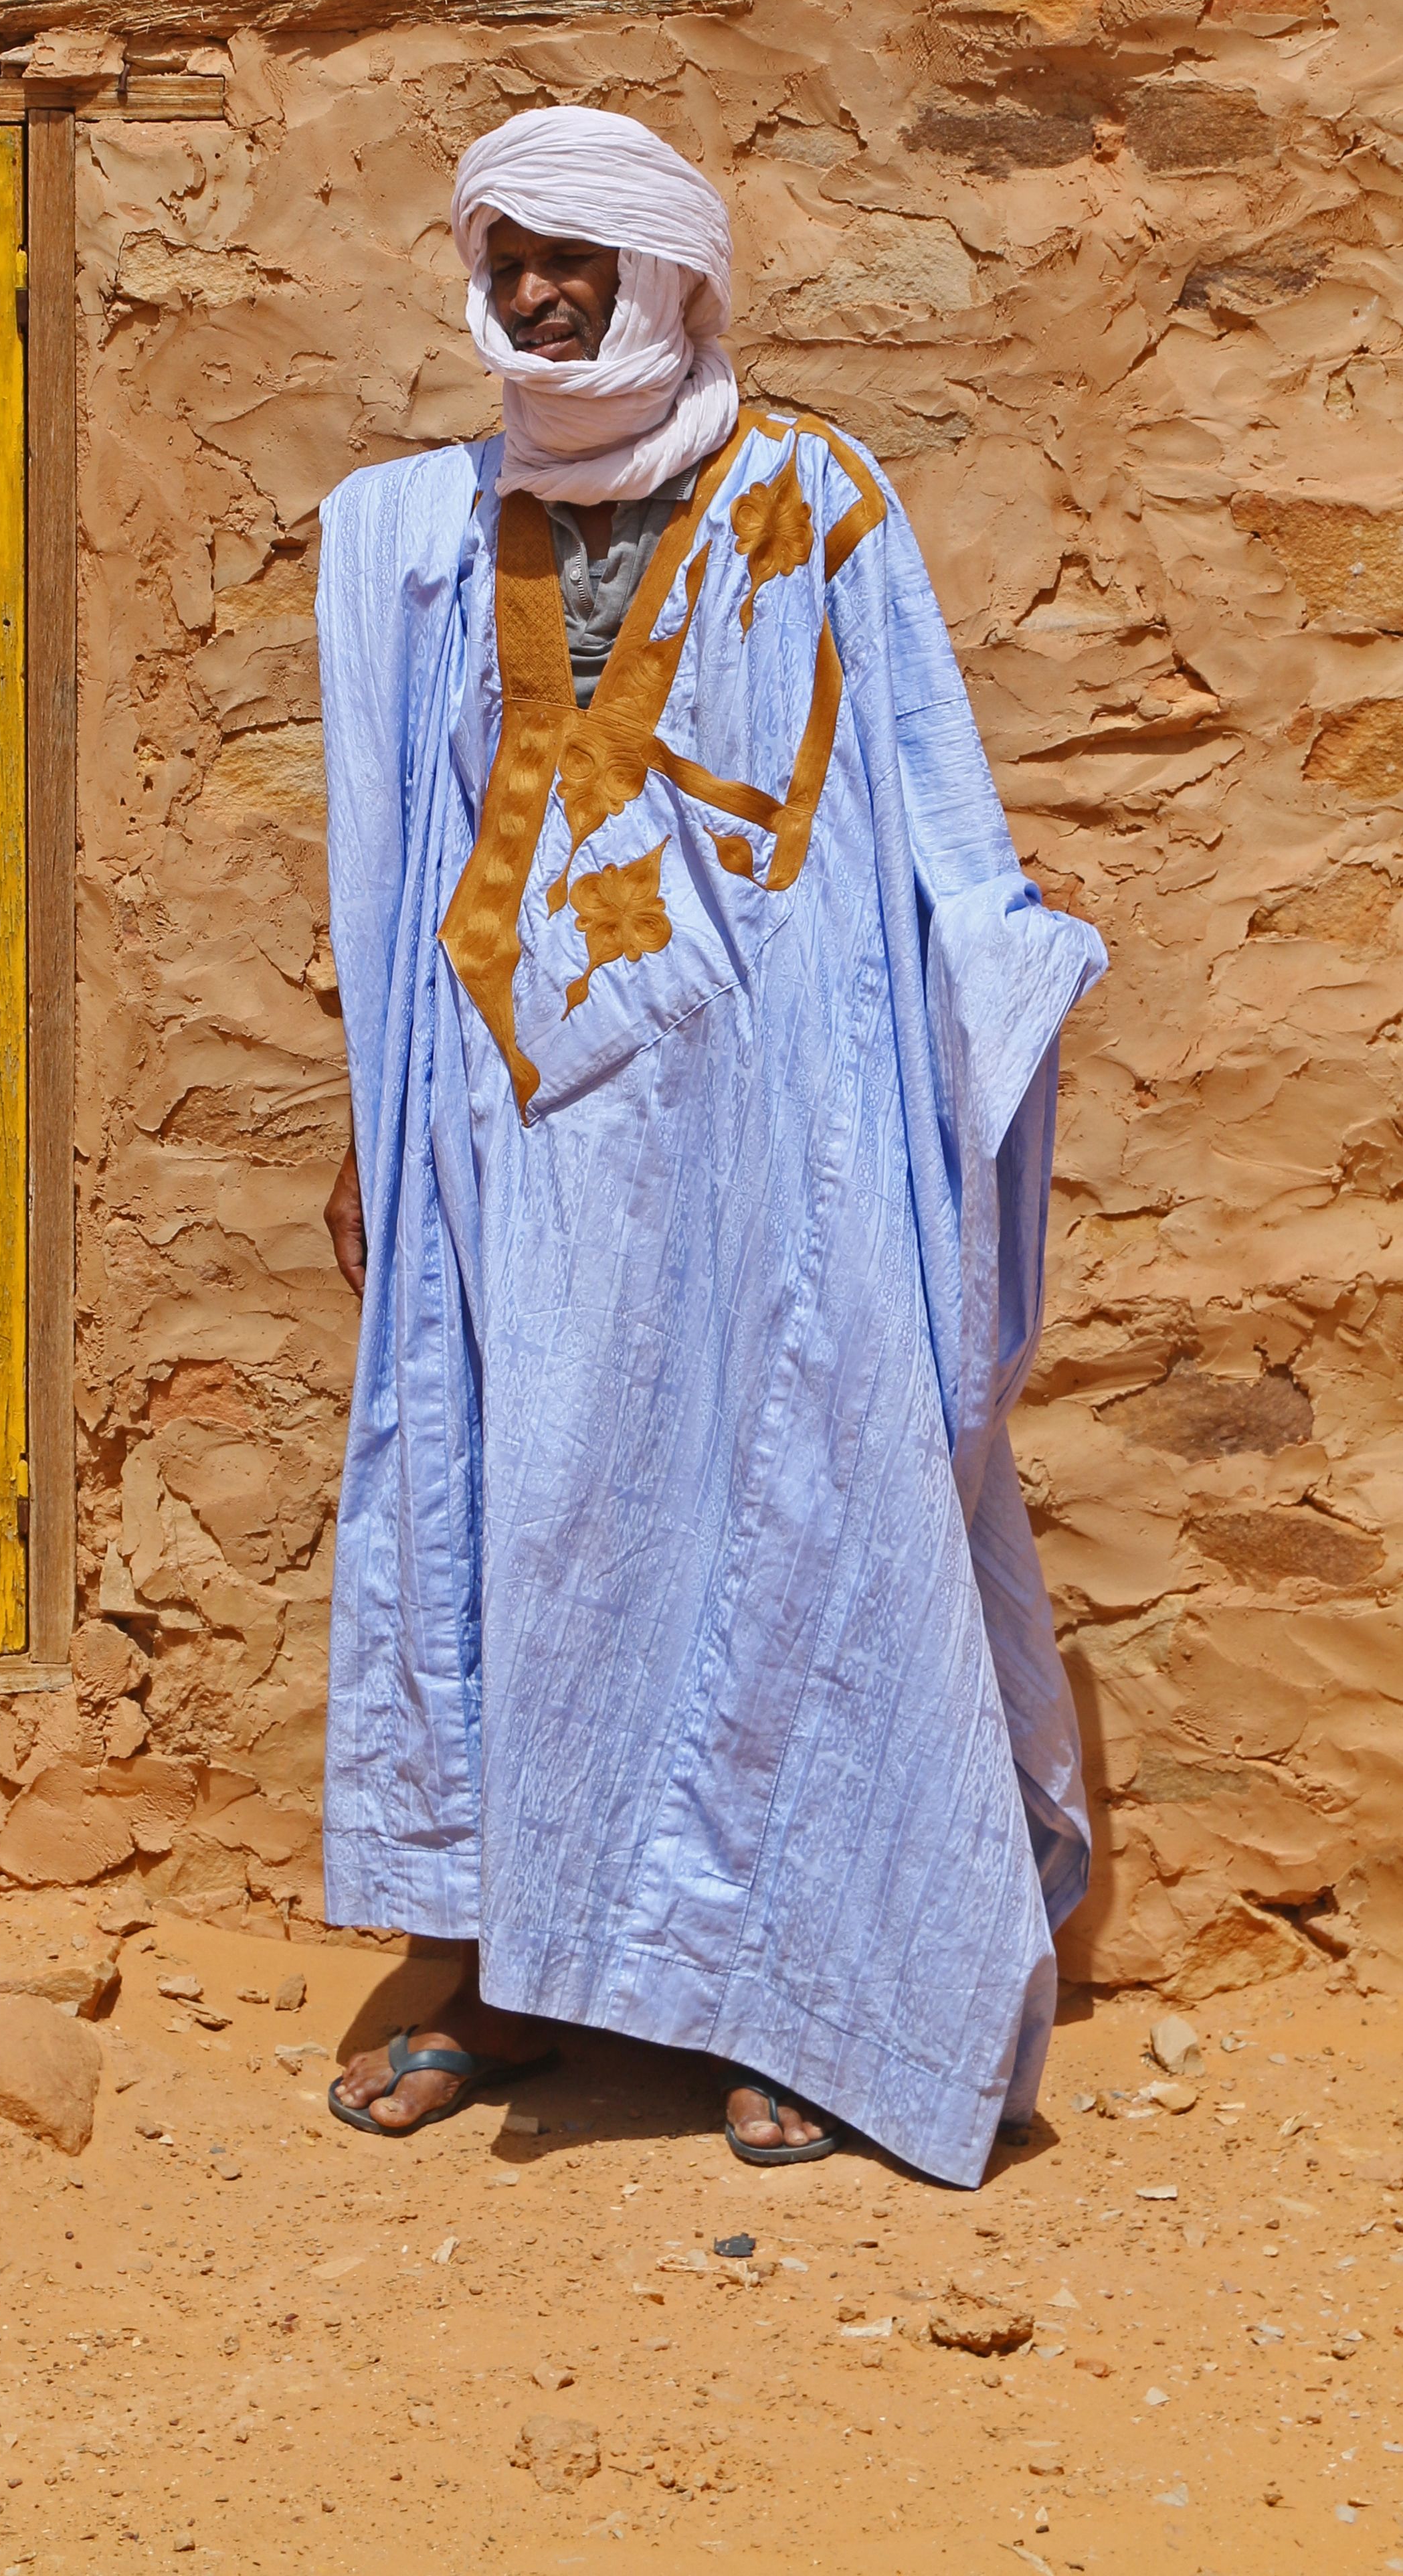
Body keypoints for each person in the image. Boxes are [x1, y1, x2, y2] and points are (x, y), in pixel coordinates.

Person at [314, 105, 1104, 2184]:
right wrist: (374, 1123)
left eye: (576, 257)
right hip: (511, 1128)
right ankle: (513, 1975)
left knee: (808, 1515)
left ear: (666, 274)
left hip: (781, 1133)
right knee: (523, 1515)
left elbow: (924, 787)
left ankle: (816, 1994)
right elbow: (392, 862)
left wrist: (1003, 978)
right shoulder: (412, 531)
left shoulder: (811, 498)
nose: (538, 292)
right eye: (510, 255)